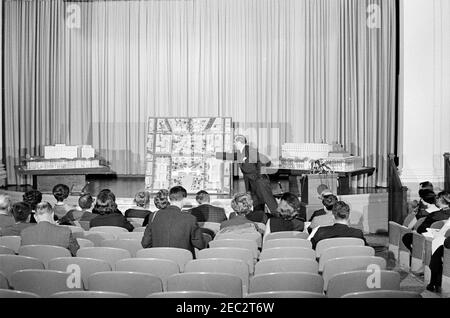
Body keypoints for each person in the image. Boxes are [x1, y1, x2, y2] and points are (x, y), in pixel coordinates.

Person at [141, 186, 206, 257]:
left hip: (159, 261)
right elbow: (200, 245)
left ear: (169, 198)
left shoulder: (153, 216)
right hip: (182, 261)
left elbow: (145, 243)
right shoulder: (190, 219)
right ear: (184, 199)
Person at [221, 135, 278, 214]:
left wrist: (259, 176)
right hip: (251, 181)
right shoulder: (241, 151)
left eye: (235, 142)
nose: (234, 144)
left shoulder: (250, 150)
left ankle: (279, 218)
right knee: (256, 201)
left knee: (268, 200)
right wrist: (217, 155)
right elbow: (232, 156)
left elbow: (259, 163)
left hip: (259, 180)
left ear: (239, 142)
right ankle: (259, 216)